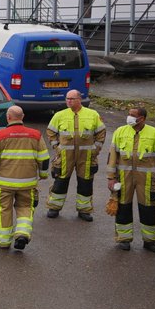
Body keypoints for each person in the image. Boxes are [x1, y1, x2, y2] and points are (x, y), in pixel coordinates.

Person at [0, 105, 51, 251]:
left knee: (4, 210)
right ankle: (22, 234)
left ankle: (3, 241)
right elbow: (44, 158)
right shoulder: (36, 135)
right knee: (26, 208)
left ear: (8, 117)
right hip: (28, 183)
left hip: (4, 184)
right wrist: (43, 174)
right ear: (23, 116)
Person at [104, 104, 155, 252]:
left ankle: (150, 241)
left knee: (149, 210)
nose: (129, 117)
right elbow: (112, 157)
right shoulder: (120, 131)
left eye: (133, 115)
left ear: (142, 118)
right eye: (129, 114)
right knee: (123, 208)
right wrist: (111, 178)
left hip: (146, 180)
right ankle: (124, 239)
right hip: (123, 179)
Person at [46, 89, 106, 220]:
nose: (68, 101)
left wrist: (96, 150)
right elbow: (50, 132)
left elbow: (101, 133)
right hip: (65, 156)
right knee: (60, 181)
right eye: (67, 98)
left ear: (79, 99)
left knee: (85, 183)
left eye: (71, 99)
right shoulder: (60, 115)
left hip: (86, 156)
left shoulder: (92, 114)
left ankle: (84, 210)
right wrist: (56, 147)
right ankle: (54, 207)